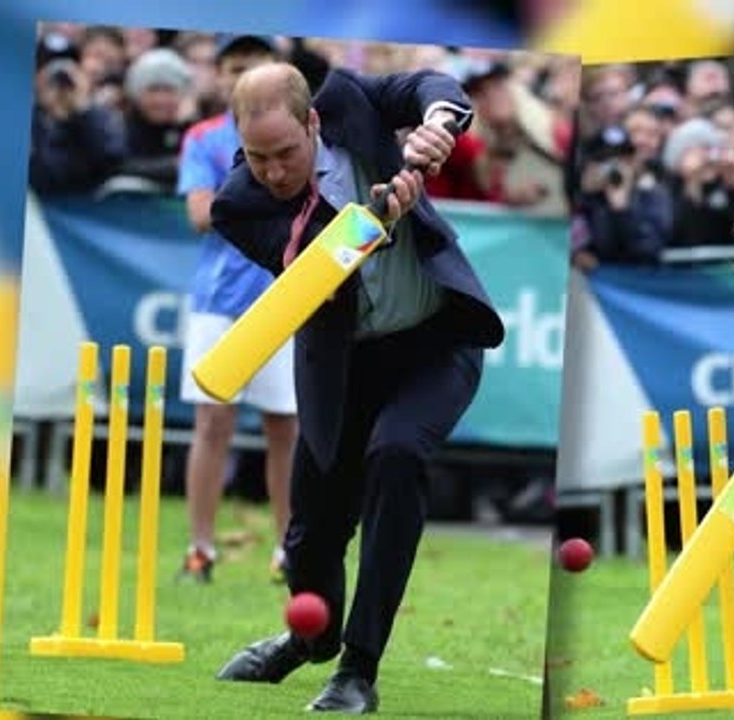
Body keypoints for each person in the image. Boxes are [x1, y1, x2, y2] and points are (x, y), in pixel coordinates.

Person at [207, 61, 504, 715]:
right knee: (312, 537)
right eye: (257, 157)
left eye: (285, 152)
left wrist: (435, 126)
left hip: (435, 343)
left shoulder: (350, 99)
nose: (274, 171)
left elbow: (433, 85)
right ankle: (306, 643)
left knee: (396, 455)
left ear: (313, 121)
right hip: (342, 365)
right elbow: (316, 264)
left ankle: (357, 671)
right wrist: (374, 213)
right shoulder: (239, 203)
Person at [176, 34, 295, 585]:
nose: (240, 75)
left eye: (253, 65)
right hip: (219, 300)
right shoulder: (204, 137)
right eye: (232, 66)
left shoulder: (298, 135)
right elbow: (202, 214)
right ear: (220, 76)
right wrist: (268, 183)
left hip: (285, 298)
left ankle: (289, 551)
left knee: (286, 427)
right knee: (212, 421)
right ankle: (201, 550)